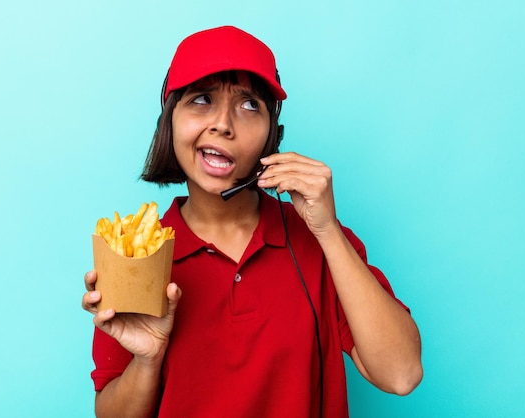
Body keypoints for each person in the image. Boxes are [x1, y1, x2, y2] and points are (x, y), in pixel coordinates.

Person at [82, 25, 422, 418]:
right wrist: (147, 361)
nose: (223, 124)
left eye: (248, 105)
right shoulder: (134, 253)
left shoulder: (322, 239)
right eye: (202, 100)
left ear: (271, 137)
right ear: (169, 122)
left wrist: (327, 231)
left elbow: (402, 375)